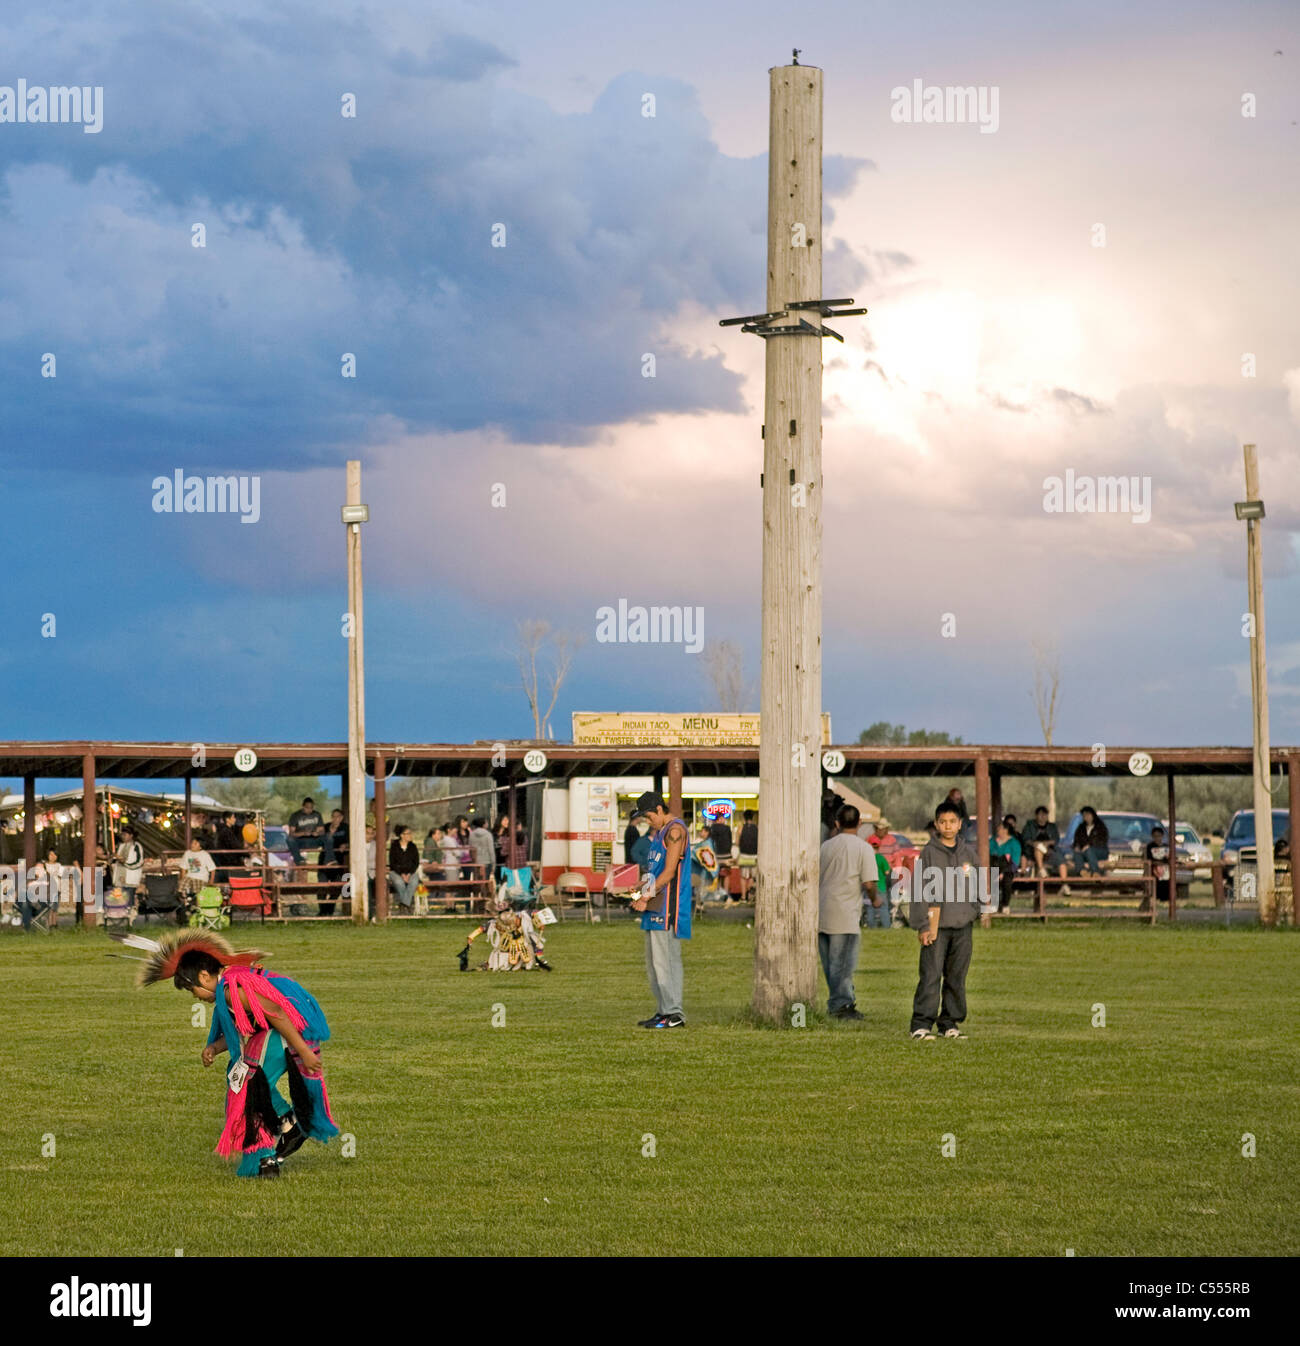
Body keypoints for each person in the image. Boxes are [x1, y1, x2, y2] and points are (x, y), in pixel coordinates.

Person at [116, 928, 339, 1177]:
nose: (196, 998)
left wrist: (303, 1051)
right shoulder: (228, 987)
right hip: (283, 1032)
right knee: (240, 1078)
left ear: (203, 976)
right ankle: (281, 1132)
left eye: (193, 991)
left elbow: (275, 1011)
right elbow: (247, 1025)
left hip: (289, 1031)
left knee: (246, 1085)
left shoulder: (231, 990)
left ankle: (273, 1146)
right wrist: (214, 1047)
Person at [909, 800, 984, 1040]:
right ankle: (921, 1024)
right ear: (936, 824)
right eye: (943, 822)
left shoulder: (969, 853)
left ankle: (949, 1022)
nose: (948, 826)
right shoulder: (929, 853)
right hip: (936, 927)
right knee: (931, 975)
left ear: (960, 824)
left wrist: (974, 910)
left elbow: (978, 882)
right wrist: (922, 924)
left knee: (956, 976)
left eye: (953, 821)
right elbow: (919, 889)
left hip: (963, 926)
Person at [629, 791, 692, 1029]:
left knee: (666, 961)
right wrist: (639, 888)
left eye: (648, 816)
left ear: (659, 809)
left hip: (668, 907)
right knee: (654, 963)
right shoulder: (660, 834)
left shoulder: (675, 831)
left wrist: (645, 896)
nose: (647, 821)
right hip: (655, 902)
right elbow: (655, 871)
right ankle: (663, 1010)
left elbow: (669, 873)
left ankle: (674, 1013)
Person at [817, 805, 878, 1019]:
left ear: (836, 823)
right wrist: (876, 899)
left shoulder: (825, 847)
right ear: (860, 823)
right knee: (842, 964)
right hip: (845, 913)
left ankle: (839, 1002)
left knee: (830, 964)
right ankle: (841, 1006)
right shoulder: (864, 848)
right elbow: (869, 883)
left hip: (822, 910)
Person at [287, 796, 334, 868]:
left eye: (311, 807)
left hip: (315, 840)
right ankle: (299, 861)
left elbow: (322, 831)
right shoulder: (295, 815)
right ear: (303, 806)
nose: (309, 809)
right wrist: (304, 833)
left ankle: (329, 860)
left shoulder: (317, 814)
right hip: (301, 841)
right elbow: (291, 833)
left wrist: (317, 833)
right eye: (307, 807)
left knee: (328, 836)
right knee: (289, 839)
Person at [1020, 806, 1066, 878]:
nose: (1043, 817)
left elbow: (1056, 839)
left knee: (1061, 861)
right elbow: (1025, 838)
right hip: (1032, 852)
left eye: (1045, 815)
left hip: (1049, 851)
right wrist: (1033, 843)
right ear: (1036, 815)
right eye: (1040, 814)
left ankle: (1064, 884)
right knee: (1038, 848)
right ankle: (1041, 870)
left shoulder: (1052, 826)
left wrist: (1047, 843)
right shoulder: (1029, 825)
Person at [1068, 806, 1109, 877]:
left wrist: (1090, 845)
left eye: (1088, 815)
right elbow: (1076, 840)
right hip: (1085, 852)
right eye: (1084, 815)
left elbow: (1102, 840)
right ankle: (1082, 871)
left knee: (1089, 850)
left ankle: (1095, 872)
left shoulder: (1100, 826)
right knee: (1077, 853)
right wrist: (1076, 846)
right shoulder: (1081, 828)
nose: (1086, 817)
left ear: (1093, 815)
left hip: (1100, 851)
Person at [990, 820, 1021, 913]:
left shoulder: (1014, 843)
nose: (997, 830)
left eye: (999, 828)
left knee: (1007, 881)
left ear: (1005, 830)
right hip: (993, 866)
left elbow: (1015, 862)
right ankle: (993, 904)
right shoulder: (993, 840)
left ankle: (1005, 904)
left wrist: (1003, 872)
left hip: (1008, 868)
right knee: (992, 877)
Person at [388, 825, 420, 911]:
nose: (410, 835)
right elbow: (392, 863)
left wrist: (409, 874)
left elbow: (416, 863)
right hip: (396, 872)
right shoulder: (394, 846)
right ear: (402, 835)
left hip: (411, 872)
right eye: (408, 833)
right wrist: (402, 874)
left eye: (410, 833)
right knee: (399, 882)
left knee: (414, 882)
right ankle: (408, 904)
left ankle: (404, 904)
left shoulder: (413, 847)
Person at [1143, 824, 1172, 912]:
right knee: (1156, 885)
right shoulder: (1150, 847)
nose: (1157, 838)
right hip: (1154, 870)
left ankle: (1165, 899)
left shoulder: (1166, 847)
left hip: (1165, 870)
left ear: (1162, 836)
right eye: (1155, 836)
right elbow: (1148, 859)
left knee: (1165, 884)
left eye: (1159, 836)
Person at [113, 826, 144, 895]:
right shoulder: (121, 846)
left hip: (130, 875)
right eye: (122, 834)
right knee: (119, 900)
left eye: (125, 835)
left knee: (129, 898)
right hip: (119, 876)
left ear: (131, 836)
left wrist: (125, 863)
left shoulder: (136, 846)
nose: (123, 836)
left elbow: (139, 862)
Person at [737, 809, 758, 900]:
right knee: (752, 876)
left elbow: (737, 842)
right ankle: (750, 895)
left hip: (744, 855)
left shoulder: (741, 828)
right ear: (753, 817)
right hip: (754, 855)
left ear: (744, 818)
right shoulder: (757, 828)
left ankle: (743, 897)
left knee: (743, 877)